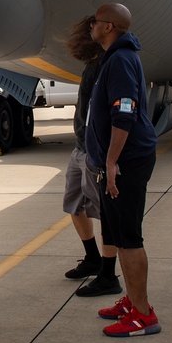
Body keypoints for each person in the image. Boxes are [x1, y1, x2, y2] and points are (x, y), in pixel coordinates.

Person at [84, 3, 161, 337]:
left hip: (127, 161)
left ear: (109, 26)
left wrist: (112, 161)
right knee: (116, 233)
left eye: (95, 22)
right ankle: (131, 300)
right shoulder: (113, 58)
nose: (90, 26)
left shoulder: (120, 60)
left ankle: (143, 315)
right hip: (116, 161)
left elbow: (125, 113)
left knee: (129, 238)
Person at [61, 17, 121, 298]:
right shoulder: (92, 65)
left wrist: (107, 156)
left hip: (95, 152)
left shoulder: (109, 65)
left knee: (106, 215)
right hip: (80, 148)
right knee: (74, 205)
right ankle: (92, 259)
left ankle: (109, 275)